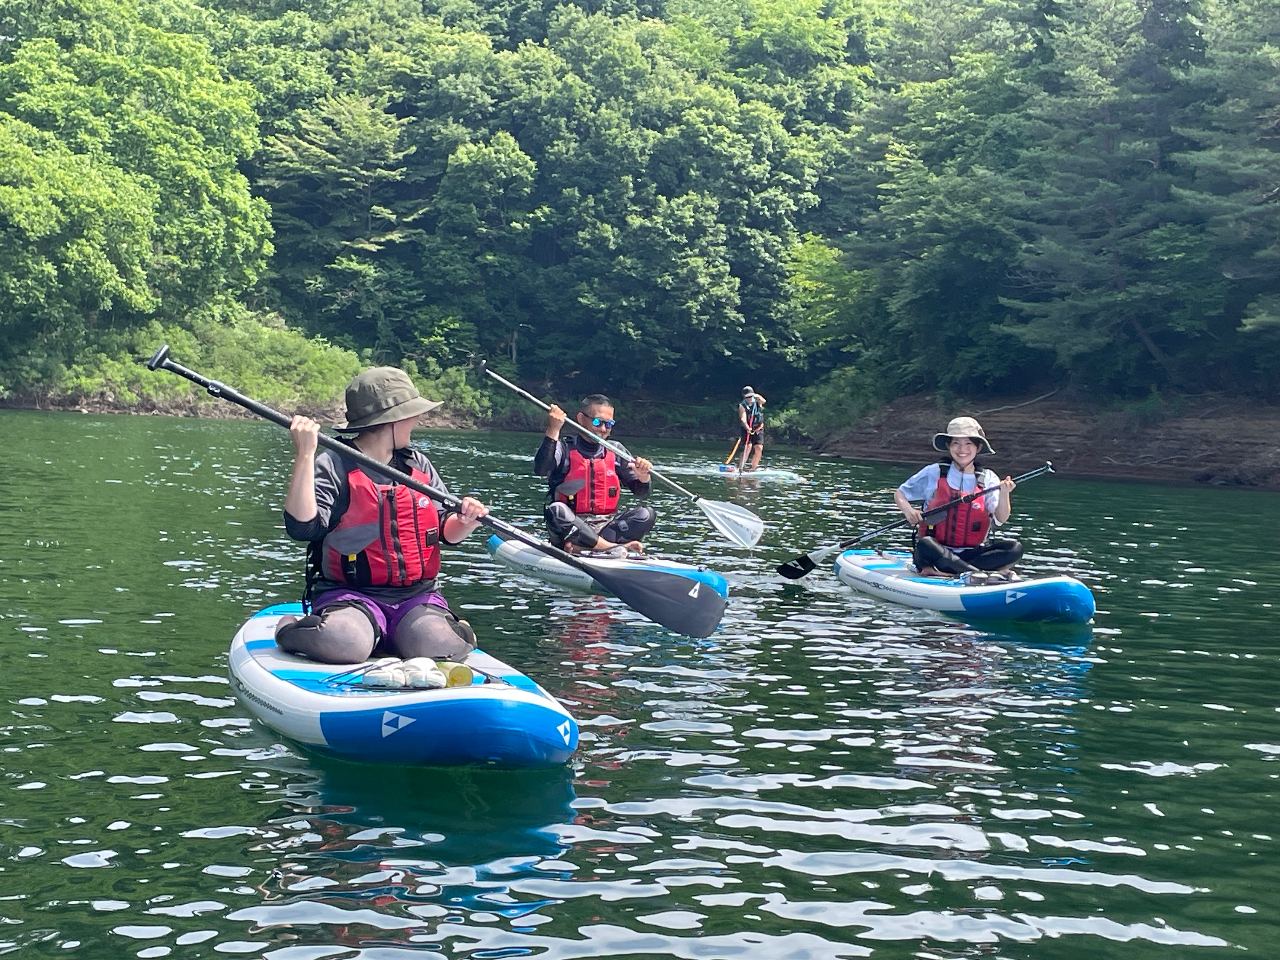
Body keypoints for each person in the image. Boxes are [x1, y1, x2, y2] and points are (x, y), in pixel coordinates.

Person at [274, 367, 490, 664]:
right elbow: (302, 528)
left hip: (416, 597)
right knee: (344, 643)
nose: (416, 421)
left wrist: (466, 521)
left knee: (443, 648)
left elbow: (445, 530)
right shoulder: (334, 463)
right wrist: (305, 455)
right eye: (412, 415)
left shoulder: (418, 465)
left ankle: (417, 632)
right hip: (350, 596)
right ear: (393, 420)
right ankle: (289, 628)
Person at [892, 416, 1023, 581]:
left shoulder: (988, 478)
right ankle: (977, 574)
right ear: (949, 446)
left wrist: (1004, 493)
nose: (962, 449)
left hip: (971, 554)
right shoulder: (934, 472)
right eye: (956, 443)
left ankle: (966, 572)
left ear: (978, 447)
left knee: (1015, 548)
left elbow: (1000, 519)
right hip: (936, 552)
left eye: (968, 443)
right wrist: (908, 510)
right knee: (926, 543)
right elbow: (900, 493)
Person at [535, 394, 655, 554]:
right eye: (597, 422)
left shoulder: (616, 450)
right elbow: (541, 469)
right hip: (572, 528)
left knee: (646, 514)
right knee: (556, 510)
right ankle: (609, 548)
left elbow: (642, 493)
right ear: (581, 419)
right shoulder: (564, 448)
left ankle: (588, 547)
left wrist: (643, 477)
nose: (603, 429)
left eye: (609, 424)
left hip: (606, 528)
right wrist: (553, 430)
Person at [737, 386, 766, 472]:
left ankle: (753, 468)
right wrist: (747, 427)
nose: (749, 398)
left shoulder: (757, 401)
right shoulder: (742, 406)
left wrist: (757, 396)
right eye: (747, 397)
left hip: (758, 428)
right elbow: (743, 419)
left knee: (759, 448)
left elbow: (763, 401)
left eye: (750, 396)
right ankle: (740, 468)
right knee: (748, 447)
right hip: (747, 429)